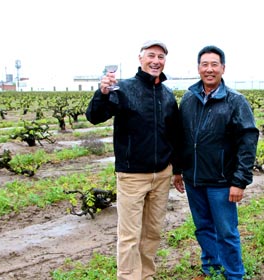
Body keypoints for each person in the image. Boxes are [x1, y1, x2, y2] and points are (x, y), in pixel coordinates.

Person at [86, 40, 181, 280]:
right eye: (151, 55)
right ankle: (129, 277)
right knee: (129, 235)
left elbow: (174, 135)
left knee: (152, 233)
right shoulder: (124, 89)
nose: (156, 61)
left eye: (160, 57)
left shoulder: (168, 95)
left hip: (161, 175)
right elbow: (94, 117)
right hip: (132, 175)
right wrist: (103, 93)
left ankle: (146, 275)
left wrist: (176, 169)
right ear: (140, 59)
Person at [173, 45, 259, 280]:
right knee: (203, 228)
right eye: (204, 64)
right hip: (194, 179)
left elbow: (248, 141)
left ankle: (234, 274)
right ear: (198, 68)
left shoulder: (235, 101)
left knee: (226, 232)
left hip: (222, 182)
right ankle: (211, 268)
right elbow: (182, 136)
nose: (209, 69)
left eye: (214, 64)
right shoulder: (189, 98)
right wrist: (178, 169)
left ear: (223, 68)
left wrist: (240, 181)